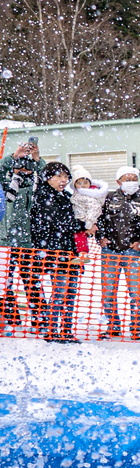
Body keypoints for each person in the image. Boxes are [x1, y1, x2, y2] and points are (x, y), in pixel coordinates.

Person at [98, 167, 140, 340]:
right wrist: (101, 237)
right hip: (110, 250)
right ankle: (113, 325)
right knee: (108, 291)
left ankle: (136, 327)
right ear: (118, 182)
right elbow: (98, 219)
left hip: (133, 252)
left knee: (137, 293)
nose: (130, 181)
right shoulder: (108, 198)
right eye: (126, 178)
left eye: (134, 178)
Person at [28, 162, 80, 342]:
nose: (63, 181)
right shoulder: (43, 196)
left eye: (66, 177)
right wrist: (83, 225)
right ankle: (51, 329)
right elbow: (60, 223)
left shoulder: (66, 196)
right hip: (54, 251)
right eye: (59, 177)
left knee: (70, 291)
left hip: (69, 250)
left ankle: (66, 330)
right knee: (60, 290)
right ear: (48, 177)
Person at [0, 141, 46, 328]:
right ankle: (10, 316)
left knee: (32, 280)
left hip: (28, 241)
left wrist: (37, 159)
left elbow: (48, 175)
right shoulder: (5, 186)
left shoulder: (38, 188)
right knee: (5, 283)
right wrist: (14, 155)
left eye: (28, 168)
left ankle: (40, 316)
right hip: (4, 241)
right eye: (19, 167)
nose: (23, 171)